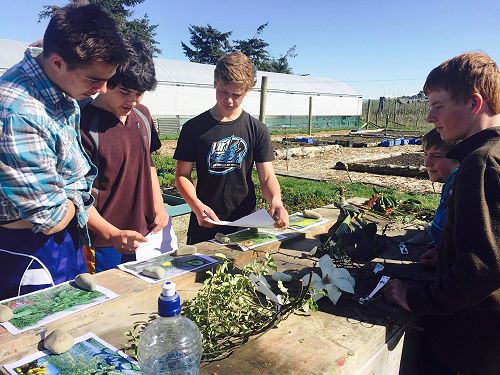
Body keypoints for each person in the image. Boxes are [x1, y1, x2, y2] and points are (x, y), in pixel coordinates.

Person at [0, 4, 146, 300]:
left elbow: (72, 187)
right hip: (26, 251)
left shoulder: (58, 88)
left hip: (62, 242)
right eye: (94, 80)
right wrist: (72, 190)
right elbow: (52, 215)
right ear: (57, 62)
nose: (102, 90)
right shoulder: (19, 113)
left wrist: (110, 232)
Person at [384, 52, 500, 374]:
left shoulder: (481, 162)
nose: (429, 117)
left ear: (474, 104)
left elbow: (483, 269)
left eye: (437, 105)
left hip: (472, 341)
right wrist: (450, 252)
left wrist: (416, 298)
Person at [80, 38, 176, 273]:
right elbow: (77, 194)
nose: (132, 101)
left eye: (140, 93)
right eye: (125, 92)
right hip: (102, 241)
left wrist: (159, 206)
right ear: (106, 83)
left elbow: (148, 164)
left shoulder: (142, 115)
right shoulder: (84, 124)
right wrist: (110, 233)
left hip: (145, 235)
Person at [174, 51, 289, 245]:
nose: (229, 100)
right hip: (205, 223)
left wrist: (276, 201)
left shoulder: (257, 129)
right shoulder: (193, 128)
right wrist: (196, 206)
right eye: (223, 92)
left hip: (245, 224)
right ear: (215, 83)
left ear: (247, 91)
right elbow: (182, 175)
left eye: (237, 95)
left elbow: (267, 177)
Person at [418, 128, 459, 267]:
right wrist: (442, 251)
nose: (426, 162)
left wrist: (448, 258)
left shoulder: (458, 185)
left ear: (458, 160)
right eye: (425, 154)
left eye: (436, 155)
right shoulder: (450, 183)